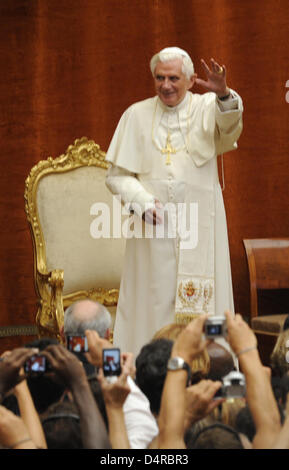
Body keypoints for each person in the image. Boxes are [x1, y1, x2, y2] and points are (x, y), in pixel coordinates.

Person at [105, 46, 243, 358]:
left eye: (173, 78)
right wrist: (141, 201)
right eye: (159, 78)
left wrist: (223, 94)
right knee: (153, 300)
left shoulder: (208, 107)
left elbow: (230, 125)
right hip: (154, 231)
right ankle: (148, 370)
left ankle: (211, 366)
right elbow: (116, 175)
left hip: (201, 225)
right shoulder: (135, 115)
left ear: (192, 79)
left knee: (205, 299)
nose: (166, 85)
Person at [63, 300, 158, 448]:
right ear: (108, 335)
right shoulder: (122, 386)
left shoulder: (46, 374)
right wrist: (115, 365)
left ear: (62, 332)